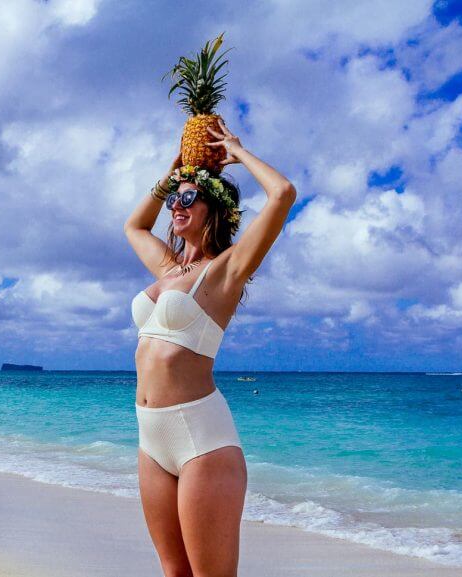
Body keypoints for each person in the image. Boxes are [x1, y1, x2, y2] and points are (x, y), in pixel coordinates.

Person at [124, 118, 296, 577]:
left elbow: (282, 194)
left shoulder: (226, 271)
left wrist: (237, 153)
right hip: (150, 437)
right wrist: (174, 170)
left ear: (214, 208)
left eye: (187, 197)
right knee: (173, 571)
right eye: (174, 198)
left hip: (201, 440)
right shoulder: (169, 268)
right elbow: (134, 226)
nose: (175, 206)